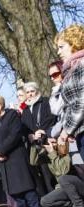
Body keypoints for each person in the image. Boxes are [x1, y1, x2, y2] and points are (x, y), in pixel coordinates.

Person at [0, 95, 40, 207]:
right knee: (15, 192)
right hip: (4, 162)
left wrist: (0, 150)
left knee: (27, 188)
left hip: (16, 158)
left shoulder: (12, 116)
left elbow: (15, 135)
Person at [22, 81, 57, 196]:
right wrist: (30, 135)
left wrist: (42, 131)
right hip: (36, 147)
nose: (30, 94)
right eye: (27, 92)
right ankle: (54, 205)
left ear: (37, 91)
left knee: (55, 172)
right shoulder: (25, 110)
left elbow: (51, 118)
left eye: (32, 91)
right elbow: (24, 127)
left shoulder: (45, 101)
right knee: (44, 175)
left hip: (49, 142)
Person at [55, 24, 84, 161]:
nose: (58, 52)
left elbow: (81, 103)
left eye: (61, 47)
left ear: (74, 44)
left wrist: (67, 130)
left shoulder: (81, 65)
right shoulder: (72, 69)